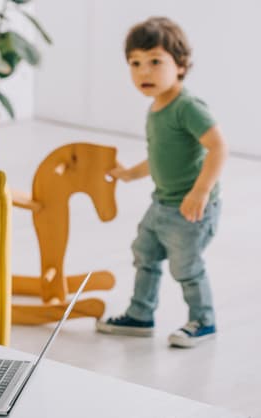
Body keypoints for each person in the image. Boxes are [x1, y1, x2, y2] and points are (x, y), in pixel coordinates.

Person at [96, 17, 228, 348]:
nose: (144, 72)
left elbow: (219, 147)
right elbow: (158, 158)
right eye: (135, 63)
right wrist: (130, 174)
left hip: (190, 209)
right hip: (161, 204)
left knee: (186, 267)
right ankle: (141, 315)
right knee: (145, 253)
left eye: (155, 62)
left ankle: (204, 320)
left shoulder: (187, 107)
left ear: (180, 65)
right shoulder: (156, 108)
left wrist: (201, 191)